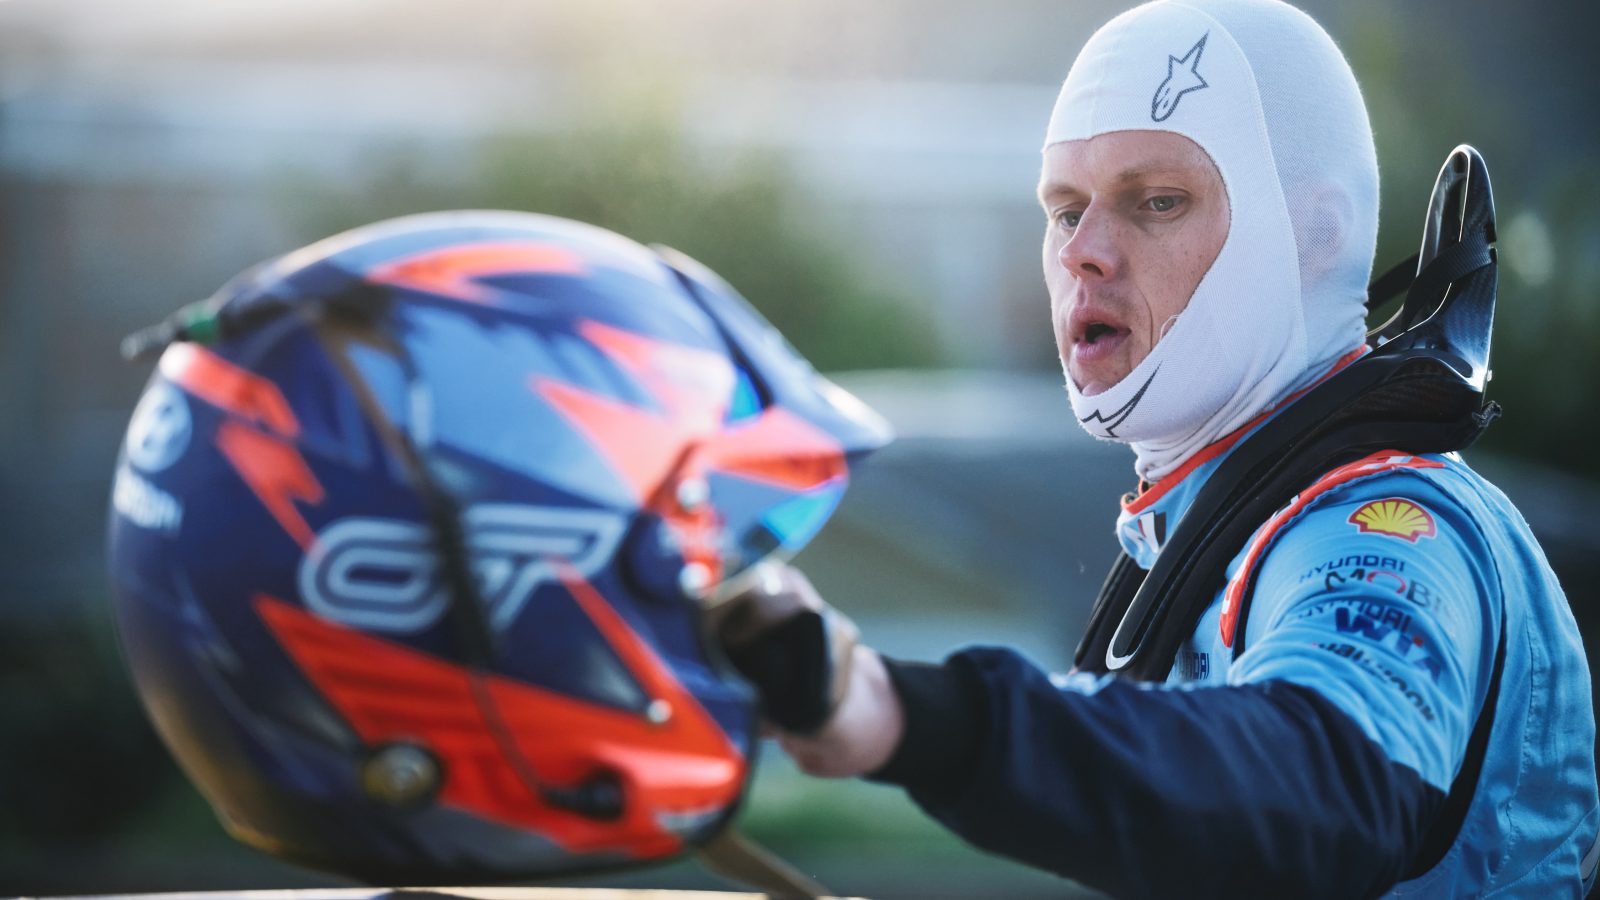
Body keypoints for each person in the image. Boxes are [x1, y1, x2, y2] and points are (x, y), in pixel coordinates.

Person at [716, 1, 1600, 896]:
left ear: (1315, 237)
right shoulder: (1202, 525)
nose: (1084, 253)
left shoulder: (1389, 525)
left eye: (1158, 202)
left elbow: (1324, 783)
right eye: (1066, 210)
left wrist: (893, 710)